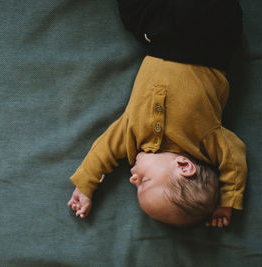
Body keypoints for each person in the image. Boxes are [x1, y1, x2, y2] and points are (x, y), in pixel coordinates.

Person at [68, 0, 246, 227]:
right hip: (209, 45)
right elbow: (235, 160)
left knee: (132, 11)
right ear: (184, 167)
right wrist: (227, 201)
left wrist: (85, 185)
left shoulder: (131, 136)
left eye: (135, 185)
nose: (133, 179)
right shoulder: (206, 141)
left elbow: (103, 152)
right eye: (145, 181)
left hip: (162, 40)